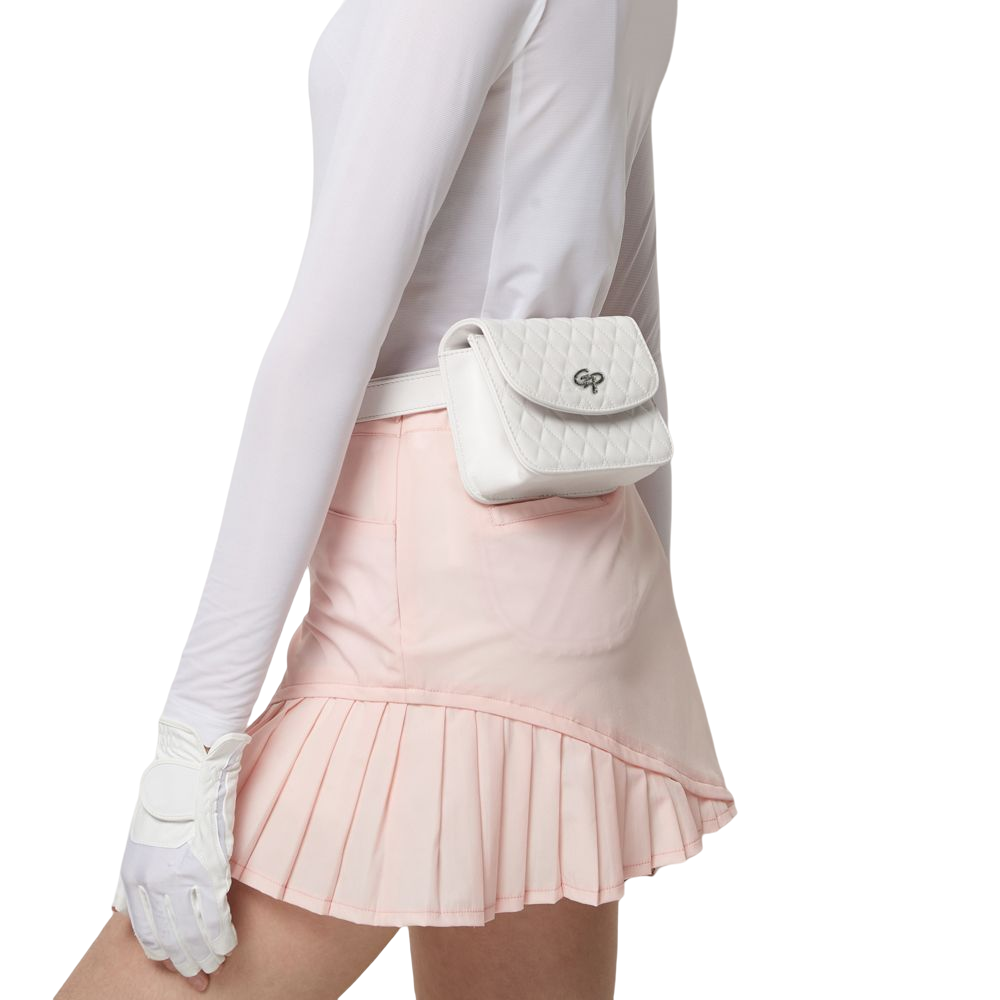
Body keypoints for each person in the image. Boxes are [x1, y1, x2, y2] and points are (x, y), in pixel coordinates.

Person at [56, 1, 736, 998]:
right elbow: (631, 310)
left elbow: (329, 333)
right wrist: (642, 604)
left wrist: (195, 739)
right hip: (582, 562)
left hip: (432, 595)